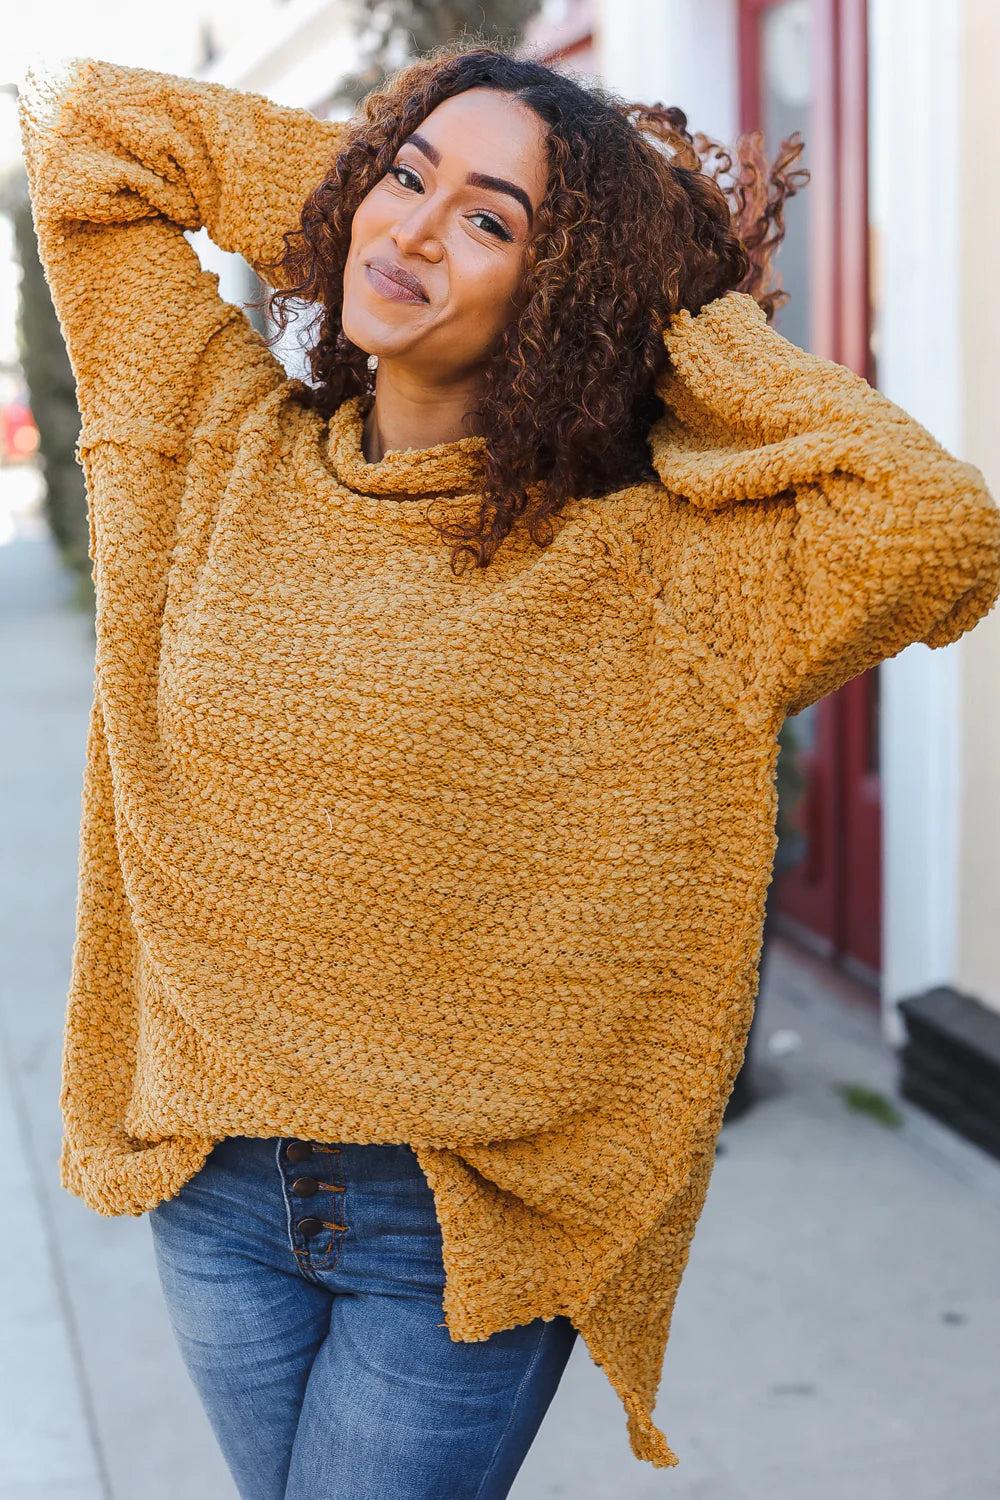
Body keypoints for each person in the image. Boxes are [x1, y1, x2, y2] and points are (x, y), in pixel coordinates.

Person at [19, 42, 1000, 1500]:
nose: (415, 231)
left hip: (459, 1220)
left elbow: (939, 527)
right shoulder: (206, 447)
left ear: (568, 294)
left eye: (493, 223)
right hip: (214, 1183)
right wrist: (365, 189)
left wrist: (661, 311)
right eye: (407, 181)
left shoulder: (655, 572)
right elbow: (94, 140)